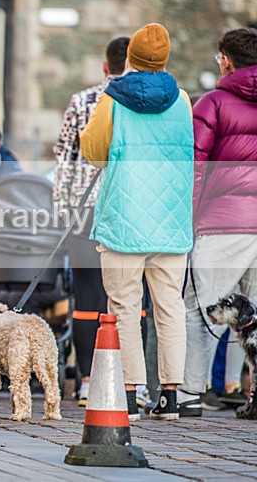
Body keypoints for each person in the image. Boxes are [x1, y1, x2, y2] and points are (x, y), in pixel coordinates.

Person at [81, 23, 194, 421]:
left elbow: (94, 151)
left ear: (130, 58)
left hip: (124, 219)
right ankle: (171, 396)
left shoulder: (112, 98)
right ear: (165, 59)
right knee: (170, 307)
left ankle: (129, 394)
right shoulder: (182, 100)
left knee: (124, 307)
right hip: (171, 219)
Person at [53, 36, 150, 408]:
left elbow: (64, 156)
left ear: (106, 66)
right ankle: (131, 381)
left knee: (87, 298)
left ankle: (86, 380)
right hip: (130, 206)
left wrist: (62, 210)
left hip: (85, 208)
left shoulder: (82, 101)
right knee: (133, 297)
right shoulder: (146, 101)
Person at [177, 27, 257, 416]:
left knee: (202, 310)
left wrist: (189, 219)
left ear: (226, 61)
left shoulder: (213, 103)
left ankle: (190, 393)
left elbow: (195, 167)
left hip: (223, 223)